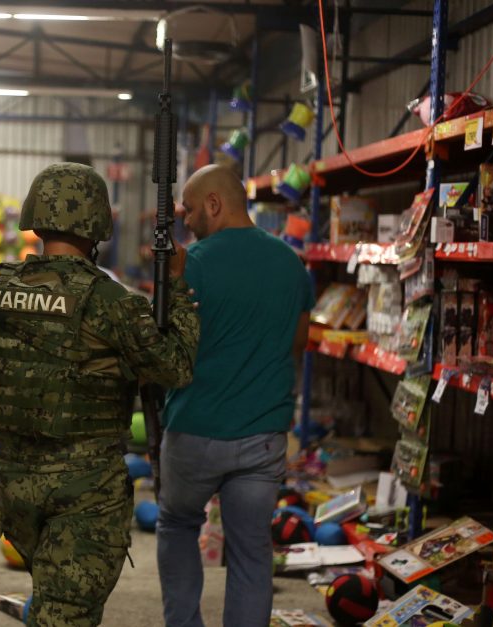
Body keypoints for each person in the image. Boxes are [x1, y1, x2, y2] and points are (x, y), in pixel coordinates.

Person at [0, 162, 200, 627]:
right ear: (98, 222)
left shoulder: (1, 289)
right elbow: (174, 366)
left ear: (35, 216)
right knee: (65, 616)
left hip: (18, 484)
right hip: (83, 492)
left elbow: (58, 358)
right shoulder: (110, 302)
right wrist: (177, 288)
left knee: (51, 601)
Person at [156, 164, 314, 627]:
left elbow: (164, 344)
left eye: (188, 208)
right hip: (264, 436)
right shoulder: (291, 263)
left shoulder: (195, 263)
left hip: (195, 429)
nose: (184, 218)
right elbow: (298, 342)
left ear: (214, 203)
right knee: (251, 551)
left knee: (179, 525)